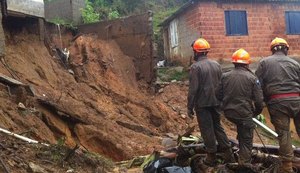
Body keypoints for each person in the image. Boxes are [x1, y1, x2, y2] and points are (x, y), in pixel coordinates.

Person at [255, 37, 300, 173]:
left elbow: (257, 85)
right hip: (297, 100)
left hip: (277, 102)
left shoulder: (264, 63)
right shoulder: (295, 63)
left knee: (284, 133)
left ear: (272, 50)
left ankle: (287, 167)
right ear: (286, 49)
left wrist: (259, 104)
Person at [187, 38, 234, 166]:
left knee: (207, 129)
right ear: (206, 51)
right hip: (216, 102)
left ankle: (211, 156)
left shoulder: (195, 67)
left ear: (196, 52)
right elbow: (222, 84)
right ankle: (228, 152)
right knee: (218, 126)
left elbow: (193, 89)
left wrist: (189, 107)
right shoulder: (216, 65)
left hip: (202, 103)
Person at [217, 48, 264, 165]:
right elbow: (259, 101)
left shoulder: (225, 76)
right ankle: (244, 165)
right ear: (247, 64)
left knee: (241, 127)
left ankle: (237, 155)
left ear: (234, 62)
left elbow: (217, 94)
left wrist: (224, 106)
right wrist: (255, 113)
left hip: (229, 113)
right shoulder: (252, 78)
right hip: (244, 114)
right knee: (247, 141)